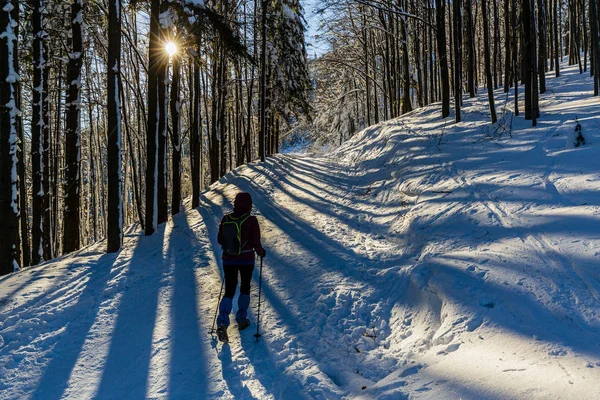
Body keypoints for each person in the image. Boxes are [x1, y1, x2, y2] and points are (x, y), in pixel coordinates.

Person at [216, 192, 266, 343]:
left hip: (228, 259)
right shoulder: (251, 220)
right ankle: (242, 319)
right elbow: (256, 242)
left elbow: (219, 240)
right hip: (246, 259)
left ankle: (223, 322)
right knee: (245, 287)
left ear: (235, 203)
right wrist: (260, 252)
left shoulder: (226, 219)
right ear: (249, 205)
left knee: (229, 290)